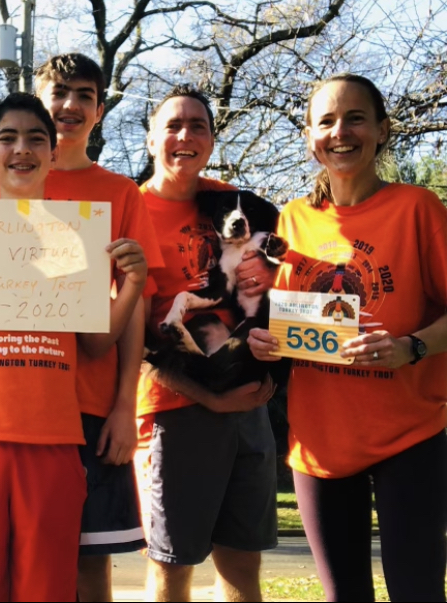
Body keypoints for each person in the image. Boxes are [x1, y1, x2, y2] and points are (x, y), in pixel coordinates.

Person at [0, 92, 148, 602]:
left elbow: (98, 344)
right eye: (7, 138)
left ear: (54, 154)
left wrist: (131, 286)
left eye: (37, 139)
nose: (22, 149)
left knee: (45, 588)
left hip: (55, 439)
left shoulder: (74, 235)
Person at [248, 73, 447, 601]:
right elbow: (282, 322)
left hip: (411, 434)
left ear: (382, 130)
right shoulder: (292, 218)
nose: (341, 131)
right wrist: (266, 344)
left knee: (418, 592)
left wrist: (413, 347)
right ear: (310, 135)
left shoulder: (417, 208)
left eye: (355, 118)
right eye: (327, 121)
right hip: (319, 442)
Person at [0, 53, 163, 601]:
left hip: (86, 403)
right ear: (39, 96)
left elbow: (132, 312)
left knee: (87, 564)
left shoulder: (122, 194)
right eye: (59, 91)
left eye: (85, 94)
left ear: (100, 110)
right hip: (5, 406)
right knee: (6, 561)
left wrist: (124, 408)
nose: (71, 104)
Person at [138, 84, 279, 602]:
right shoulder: (130, 209)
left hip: (251, 406)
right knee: (174, 567)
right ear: (151, 138)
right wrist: (211, 399)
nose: (185, 136)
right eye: (172, 125)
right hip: (177, 411)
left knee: (243, 566)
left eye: (198, 125)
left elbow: (265, 295)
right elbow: (131, 340)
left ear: (212, 140)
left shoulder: (235, 206)